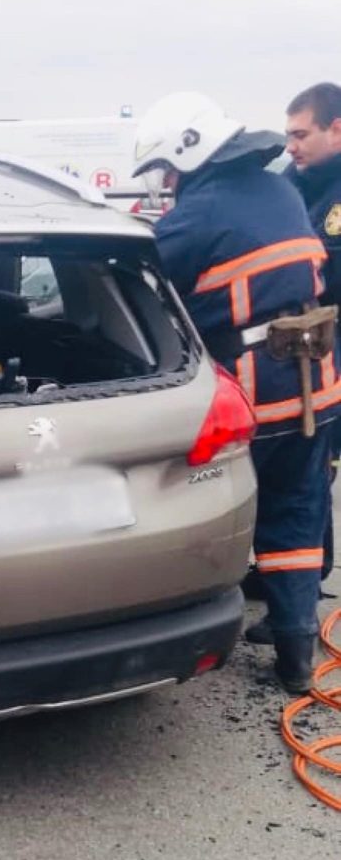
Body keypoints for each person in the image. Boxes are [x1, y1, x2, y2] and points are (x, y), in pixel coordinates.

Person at [133, 91, 341, 693]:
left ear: (189, 157)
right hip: (318, 379)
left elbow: (143, 289)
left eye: (167, 169)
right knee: (300, 510)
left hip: (260, 387)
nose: (166, 182)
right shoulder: (280, 189)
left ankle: (193, 623)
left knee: (237, 504)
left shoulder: (197, 215)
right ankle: (296, 647)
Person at [285, 83, 341, 583]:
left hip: (333, 341)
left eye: (301, 134)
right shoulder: (297, 182)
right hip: (315, 343)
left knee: (318, 462)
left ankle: (306, 577)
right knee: (314, 462)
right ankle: (309, 567)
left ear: (337, 129)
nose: (292, 145)